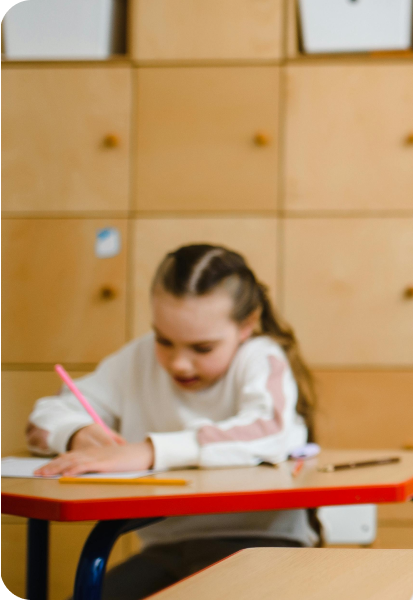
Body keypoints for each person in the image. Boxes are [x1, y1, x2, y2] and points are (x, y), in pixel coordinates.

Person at [26, 244, 316, 600]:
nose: (179, 363)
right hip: (167, 548)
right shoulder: (137, 359)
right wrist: (76, 435)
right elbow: (43, 420)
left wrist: (150, 451)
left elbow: (270, 430)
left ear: (247, 325)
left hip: (265, 545)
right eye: (165, 340)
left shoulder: (261, 357)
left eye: (202, 348)